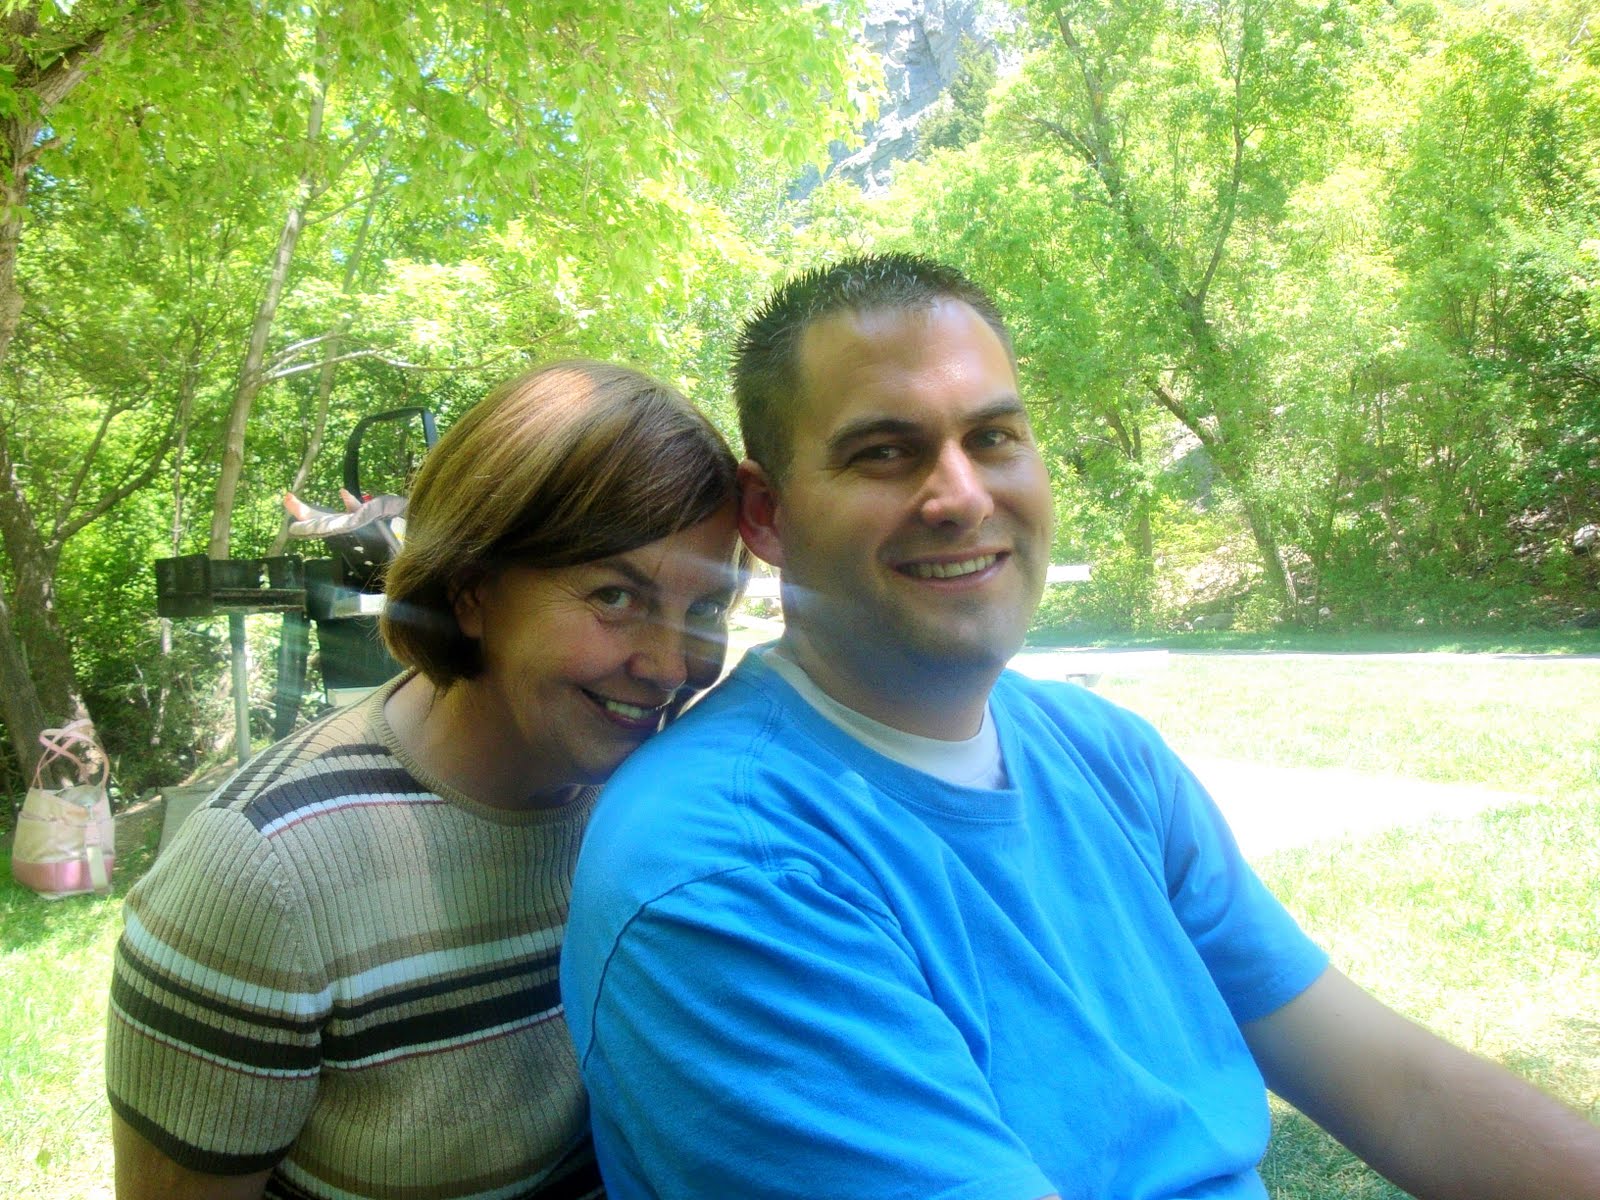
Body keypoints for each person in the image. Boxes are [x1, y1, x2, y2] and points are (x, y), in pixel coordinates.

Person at [559, 255, 1600, 1199]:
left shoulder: (1105, 755)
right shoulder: (726, 869)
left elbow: (1402, 1089)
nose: (960, 496)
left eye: (992, 437)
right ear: (768, 515)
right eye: (884, 452)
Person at [107, 361, 744, 1200]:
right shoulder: (262, 871)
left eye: (706, 609)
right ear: (472, 590)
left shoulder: (673, 813)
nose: (672, 665)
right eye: (615, 596)